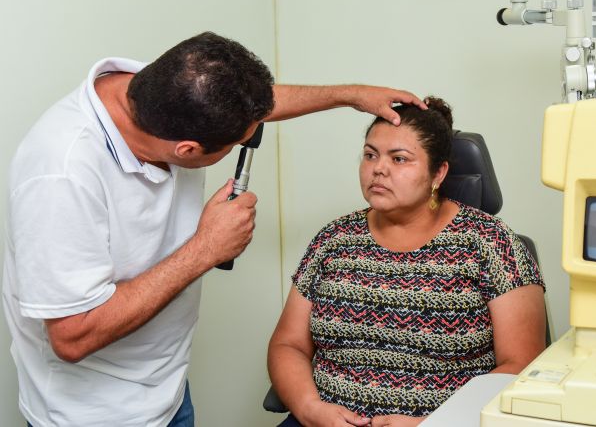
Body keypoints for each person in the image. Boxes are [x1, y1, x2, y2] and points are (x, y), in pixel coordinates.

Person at [2, 31, 426, 427]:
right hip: (95, 413)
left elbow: (253, 106)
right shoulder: (60, 176)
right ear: (186, 149)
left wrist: (348, 95)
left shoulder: (167, 91)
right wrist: (206, 248)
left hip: (168, 390)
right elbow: (73, 336)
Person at [268, 97, 546, 427]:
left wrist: (432, 423)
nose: (378, 168)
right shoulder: (334, 239)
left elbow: (521, 366)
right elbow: (288, 345)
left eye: (399, 159)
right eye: (370, 155)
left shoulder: (491, 243)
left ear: (438, 173)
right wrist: (309, 408)